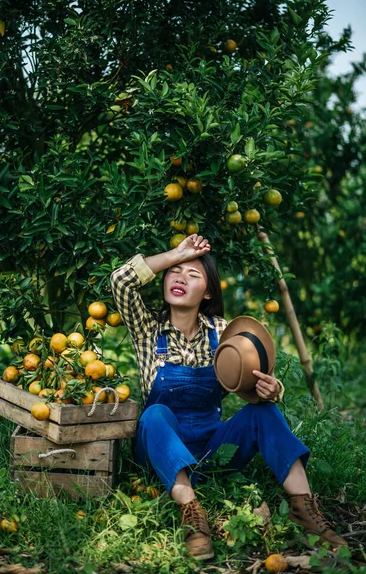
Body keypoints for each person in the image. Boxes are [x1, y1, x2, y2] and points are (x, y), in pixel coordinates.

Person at [110, 234, 347, 560]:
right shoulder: (147, 326)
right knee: (154, 414)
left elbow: (256, 379)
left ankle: (305, 510)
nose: (180, 277)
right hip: (161, 455)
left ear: (207, 292)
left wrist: (272, 389)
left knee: (263, 412)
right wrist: (175, 254)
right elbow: (121, 280)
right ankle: (191, 511)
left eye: (193, 275)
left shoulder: (223, 332)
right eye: (173, 271)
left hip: (213, 454)